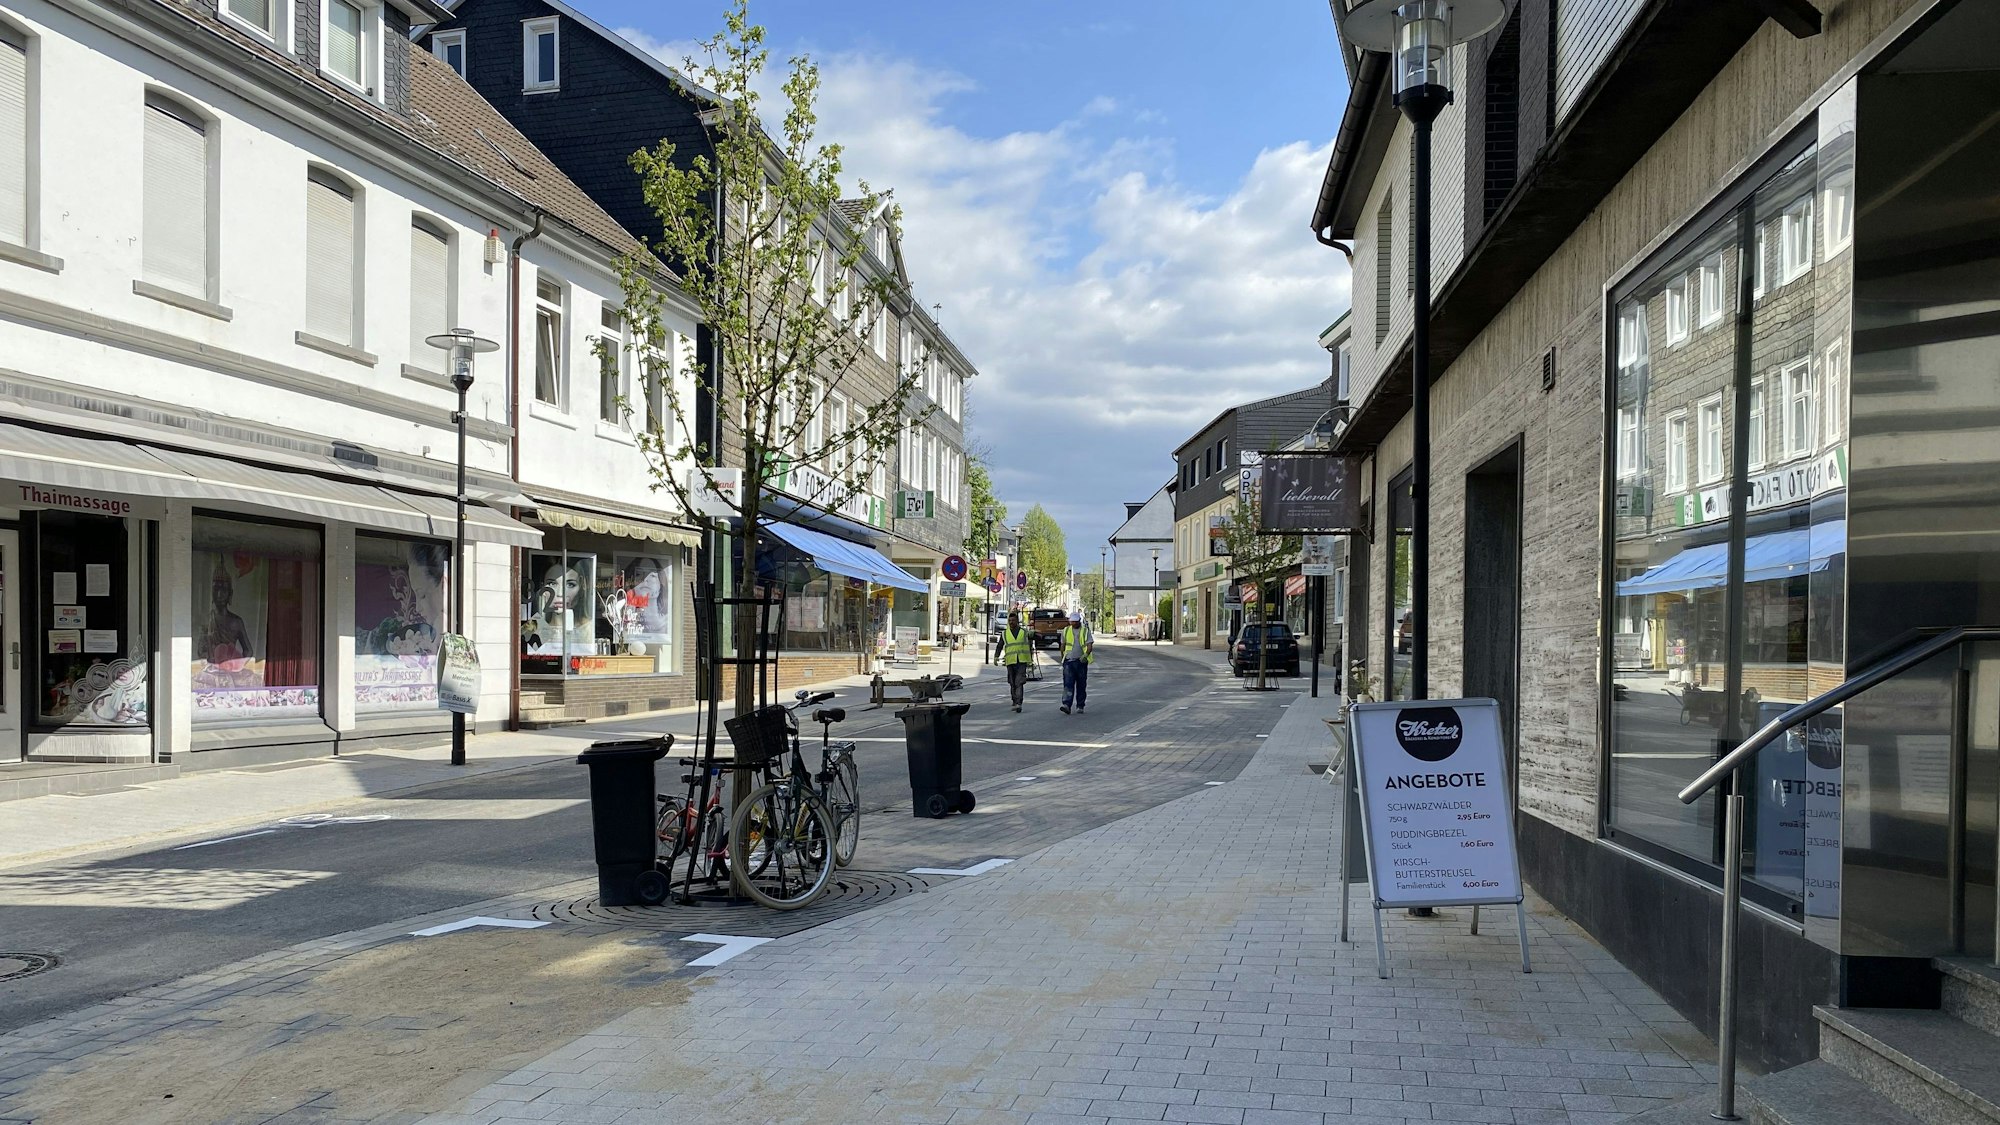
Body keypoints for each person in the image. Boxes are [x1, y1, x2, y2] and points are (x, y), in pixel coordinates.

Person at [1058, 609, 1094, 714]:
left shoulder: (1085, 631)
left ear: (1079, 621)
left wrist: (1086, 655)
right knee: (1068, 684)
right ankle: (1066, 704)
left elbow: (1089, 645)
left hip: (1081, 661)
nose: (1073, 623)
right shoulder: (1066, 630)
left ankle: (1080, 705)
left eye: (1075, 621)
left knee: (1081, 684)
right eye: (1072, 621)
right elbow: (1063, 645)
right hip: (1069, 661)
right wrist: (1062, 658)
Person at [1000, 607, 1034, 712]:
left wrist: (1034, 635)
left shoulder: (1024, 632)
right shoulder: (1005, 633)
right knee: (1012, 682)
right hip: (1010, 661)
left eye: (1013, 620)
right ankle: (1014, 701)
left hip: (1021, 661)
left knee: (1019, 682)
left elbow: (1032, 640)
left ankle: (1019, 702)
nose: (1011, 622)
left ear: (1017, 621)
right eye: (1009, 621)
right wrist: (996, 656)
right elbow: (1000, 645)